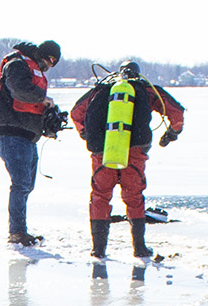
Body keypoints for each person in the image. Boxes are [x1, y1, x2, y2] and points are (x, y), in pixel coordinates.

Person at [69, 61, 186, 260]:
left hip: (103, 151)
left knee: (100, 196)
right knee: (134, 197)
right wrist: (171, 134)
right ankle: (139, 248)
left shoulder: (101, 89)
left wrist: (85, 134)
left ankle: (98, 249)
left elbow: (76, 113)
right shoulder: (145, 89)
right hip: (135, 150)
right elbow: (176, 113)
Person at [0, 40, 66, 246]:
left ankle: (19, 230)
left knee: (27, 184)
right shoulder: (17, 63)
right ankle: (16, 232)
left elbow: (32, 103)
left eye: (52, 65)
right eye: (48, 62)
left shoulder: (34, 70)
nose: (48, 67)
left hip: (26, 134)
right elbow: (18, 89)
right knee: (21, 183)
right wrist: (43, 99)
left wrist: (49, 120)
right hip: (11, 129)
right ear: (41, 55)